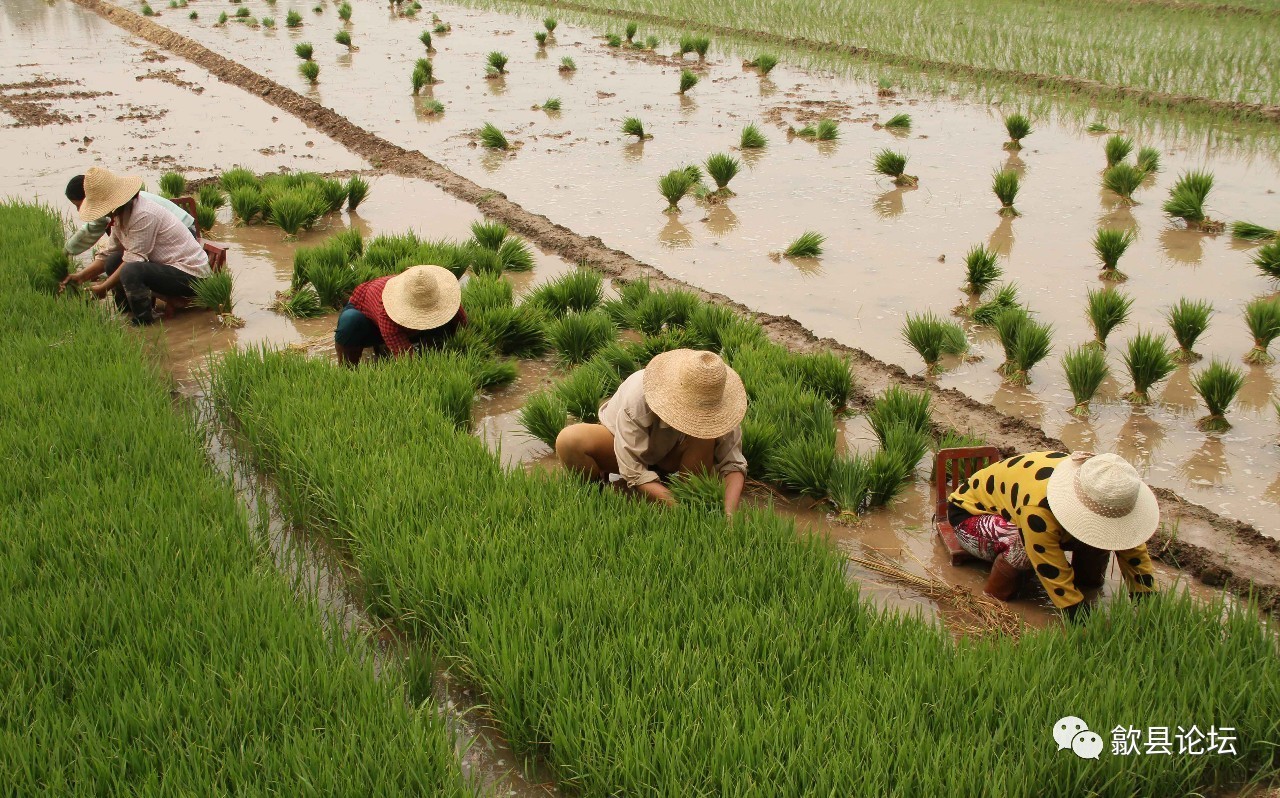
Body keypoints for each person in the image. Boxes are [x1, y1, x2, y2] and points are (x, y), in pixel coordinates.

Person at [946, 450, 1158, 620]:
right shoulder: (1039, 507)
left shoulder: (1107, 491)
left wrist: (1146, 598)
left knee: (1104, 535)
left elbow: (1130, 543)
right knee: (1022, 547)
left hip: (1024, 505)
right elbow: (1048, 560)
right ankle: (994, 599)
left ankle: (1089, 583)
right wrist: (1077, 611)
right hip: (972, 513)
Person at [555, 349, 749, 516]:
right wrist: (680, 510)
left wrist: (729, 513)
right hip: (622, 448)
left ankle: (688, 491)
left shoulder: (719, 404)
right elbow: (633, 471)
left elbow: (733, 463)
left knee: (706, 436)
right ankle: (599, 495)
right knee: (569, 441)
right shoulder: (639, 397)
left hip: (673, 454)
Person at [61, 167, 210, 325]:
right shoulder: (120, 215)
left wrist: (103, 288)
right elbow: (108, 253)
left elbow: (133, 260)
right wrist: (81, 277)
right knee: (113, 260)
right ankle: (126, 312)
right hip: (166, 266)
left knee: (131, 270)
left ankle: (142, 323)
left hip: (191, 275)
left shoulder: (142, 214)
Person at [334, 264, 467, 365]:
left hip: (391, 323)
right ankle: (348, 369)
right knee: (350, 322)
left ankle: (427, 346)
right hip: (368, 320)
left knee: (445, 328)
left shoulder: (442, 295)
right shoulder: (387, 310)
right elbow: (406, 359)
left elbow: (462, 324)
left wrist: (464, 345)